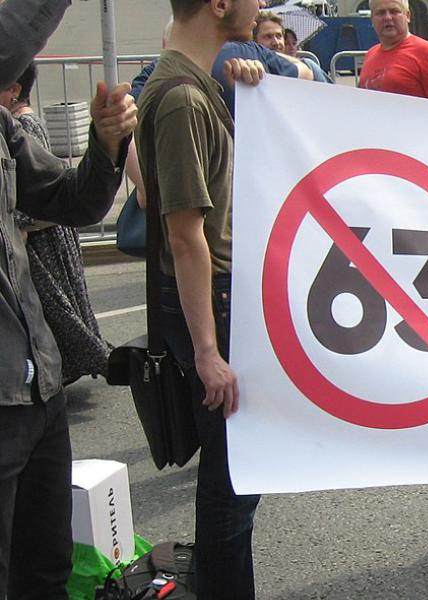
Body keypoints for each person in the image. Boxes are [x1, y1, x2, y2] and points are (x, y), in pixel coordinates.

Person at [134, 0, 270, 591]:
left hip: (218, 296)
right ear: (219, 4)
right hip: (211, 299)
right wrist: (208, 351)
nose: (261, 4)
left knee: (236, 472)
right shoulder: (183, 98)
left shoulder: (194, 84)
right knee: (232, 478)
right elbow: (186, 236)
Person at [0, 4, 133, 597]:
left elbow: (71, 202)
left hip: (39, 387)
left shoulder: (4, 130)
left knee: (46, 568)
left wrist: (107, 145)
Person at [2, 65, 113, 385]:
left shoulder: (21, 125)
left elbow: (39, 188)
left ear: (15, 90)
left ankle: (66, 364)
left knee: (54, 307)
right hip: (42, 232)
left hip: (43, 237)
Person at [359, 0, 428, 101]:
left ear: (408, 16)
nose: (387, 17)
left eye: (394, 11)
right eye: (381, 13)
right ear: (372, 19)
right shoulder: (370, 54)